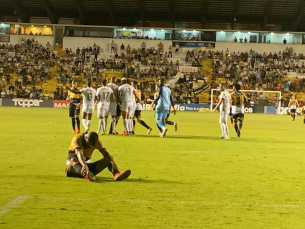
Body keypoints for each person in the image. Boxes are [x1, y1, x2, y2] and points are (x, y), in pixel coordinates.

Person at [65, 131, 131, 182]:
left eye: (92, 145)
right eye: (89, 144)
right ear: (85, 137)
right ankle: (87, 174)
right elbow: (79, 153)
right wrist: (84, 165)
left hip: (87, 168)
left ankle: (116, 174)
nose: (91, 146)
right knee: (73, 160)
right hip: (72, 169)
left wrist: (115, 167)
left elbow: (106, 154)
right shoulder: (77, 139)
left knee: (107, 160)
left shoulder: (97, 141)